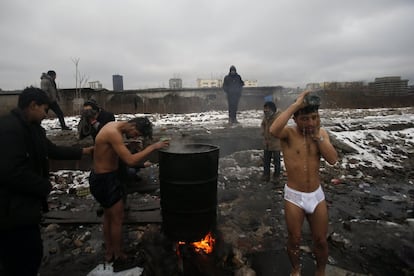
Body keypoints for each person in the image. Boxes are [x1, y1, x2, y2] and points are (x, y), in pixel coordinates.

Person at [0, 87, 94, 276]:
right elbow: (11, 172)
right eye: (44, 109)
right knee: (19, 258)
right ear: (33, 105)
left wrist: (82, 152)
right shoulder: (9, 129)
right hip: (10, 208)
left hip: (27, 204)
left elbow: (51, 150)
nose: (46, 114)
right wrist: (44, 186)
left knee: (31, 254)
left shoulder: (33, 128)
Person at [269, 90, 338, 276]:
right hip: (294, 196)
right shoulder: (289, 134)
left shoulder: (321, 133)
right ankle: (296, 269)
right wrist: (296, 105)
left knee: (321, 240)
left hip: (316, 195)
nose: (311, 123)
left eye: (314, 118)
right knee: (294, 239)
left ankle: (321, 271)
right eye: (305, 119)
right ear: (295, 119)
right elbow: (273, 129)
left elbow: (333, 159)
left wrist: (318, 137)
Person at [89, 117, 169, 272]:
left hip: (102, 178)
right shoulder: (114, 133)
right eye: (136, 133)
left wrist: (127, 145)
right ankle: (119, 255)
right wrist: (153, 147)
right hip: (106, 181)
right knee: (117, 219)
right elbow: (130, 161)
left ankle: (109, 252)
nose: (134, 136)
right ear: (132, 125)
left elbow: (112, 150)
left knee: (108, 216)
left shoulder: (112, 126)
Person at [261, 101, 282, 183]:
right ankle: (266, 175)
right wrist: (263, 131)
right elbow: (263, 124)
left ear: (272, 110)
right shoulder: (266, 117)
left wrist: (276, 133)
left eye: (267, 110)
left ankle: (276, 176)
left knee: (276, 161)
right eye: (264, 110)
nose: (265, 111)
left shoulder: (278, 117)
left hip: (276, 142)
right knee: (266, 160)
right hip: (267, 143)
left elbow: (282, 127)